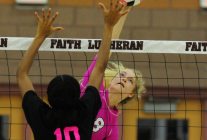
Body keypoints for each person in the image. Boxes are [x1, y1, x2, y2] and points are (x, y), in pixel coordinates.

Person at [16, 1, 128, 140]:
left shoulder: (41, 117)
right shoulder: (85, 112)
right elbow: (99, 69)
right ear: (77, 96)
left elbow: (21, 75)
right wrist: (109, 25)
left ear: (49, 98)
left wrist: (40, 36)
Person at [80, 0, 146, 140]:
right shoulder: (93, 89)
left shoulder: (113, 123)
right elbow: (107, 49)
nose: (124, 79)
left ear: (130, 94)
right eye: (122, 75)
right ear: (112, 79)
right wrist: (126, 6)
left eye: (130, 81)